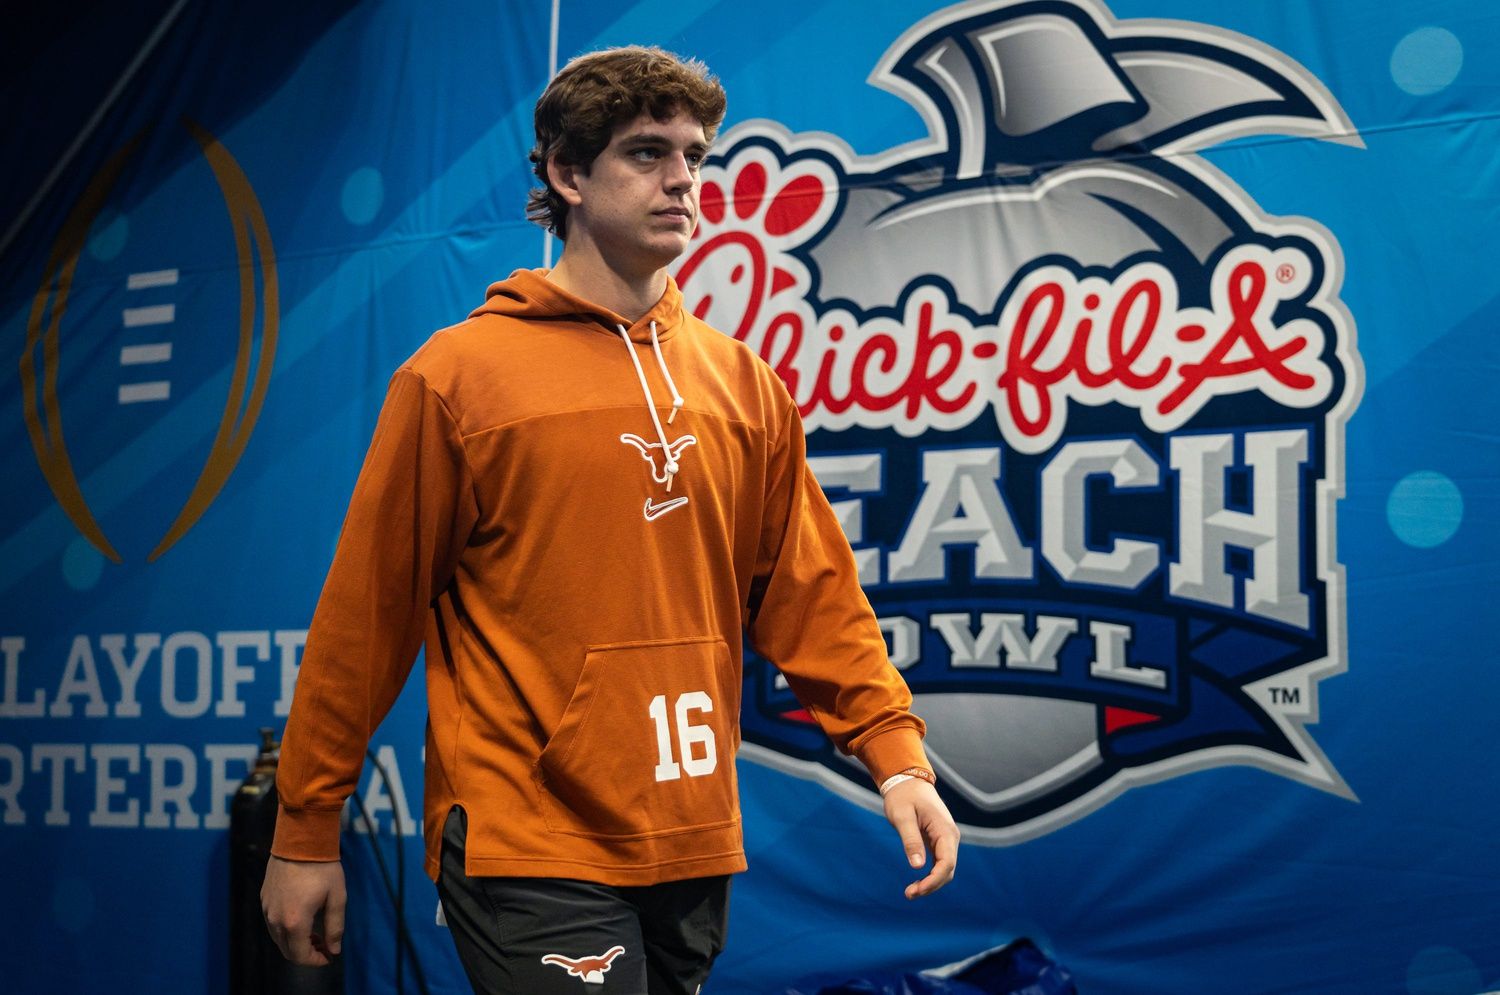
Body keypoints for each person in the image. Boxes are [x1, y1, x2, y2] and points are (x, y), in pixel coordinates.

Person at [261, 45, 959, 994]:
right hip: (527, 833)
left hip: (690, 831)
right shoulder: (458, 377)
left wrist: (897, 757)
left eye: (695, 155)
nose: (682, 179)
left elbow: (811, 594)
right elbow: (366, 617)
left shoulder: (742, 384)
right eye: (645, 152)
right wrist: (305, 829)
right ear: (566, 174)